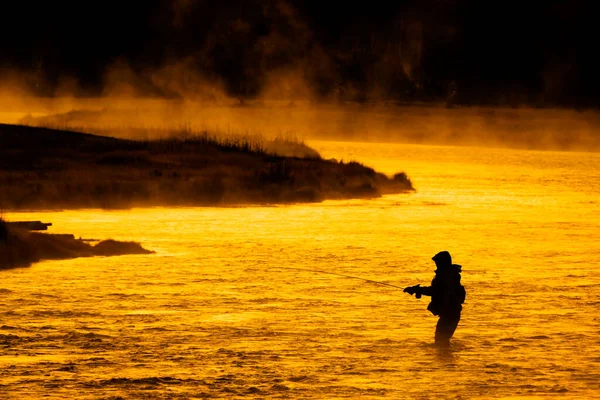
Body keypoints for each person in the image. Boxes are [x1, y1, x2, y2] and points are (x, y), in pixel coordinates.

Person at [404, 251, 466, 346]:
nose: (436, 265)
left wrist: (417, 290)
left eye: (438, 263)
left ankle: (445, 360)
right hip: (448, 314)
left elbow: (435, 291)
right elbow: (436, 291)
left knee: (441, 341)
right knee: (441, 341)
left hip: (450, 314)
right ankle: (446, 360)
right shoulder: (447, 275)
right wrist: (417, 290)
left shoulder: (447, 276)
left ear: (443, 263)